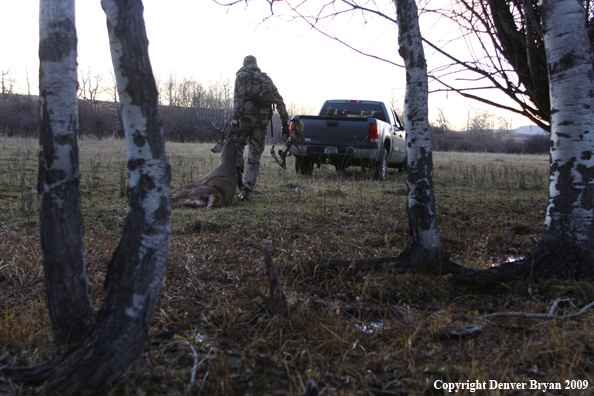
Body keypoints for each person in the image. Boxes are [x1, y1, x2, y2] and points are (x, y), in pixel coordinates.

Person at [232, 55, 290, 201]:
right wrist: (285, 124)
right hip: (262, 121)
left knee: (237, 148)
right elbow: (280, 102)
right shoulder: (267, 80)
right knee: (255, 154)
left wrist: (235, 119)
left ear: (244, 64)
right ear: (256, 64)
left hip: (245, 119)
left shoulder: (241, 76)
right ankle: (247, 190)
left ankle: (239, 177)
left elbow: (238, 99)